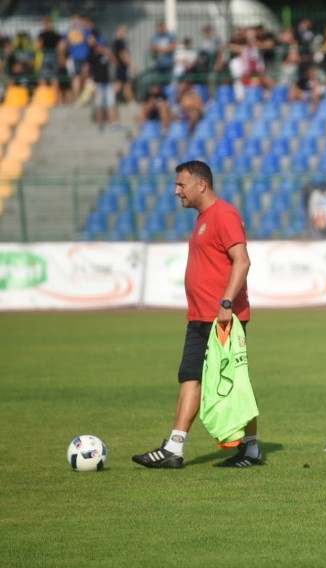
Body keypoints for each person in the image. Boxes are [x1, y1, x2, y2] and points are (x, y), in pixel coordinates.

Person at [132, 160, 263, 469]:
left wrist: (227, 305)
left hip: (222, 318)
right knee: (189, 376)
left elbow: (242, 261)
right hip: (201, 317)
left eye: (182, 185)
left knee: (233, 381)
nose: (177, 191)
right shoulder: (205, 218)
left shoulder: (224, 214)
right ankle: (174, 449)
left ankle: (250, 448)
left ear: (201, 184)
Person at [112, 24, 135, 103]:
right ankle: (109, 100)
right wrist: (131, 65)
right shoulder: (119, 42)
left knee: (127, 84)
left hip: (122, 66)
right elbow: (122, 55)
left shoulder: (120, 42)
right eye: (124, 31)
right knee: (119, 84)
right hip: (121, 66)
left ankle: (130, 100)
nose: (125, 34)